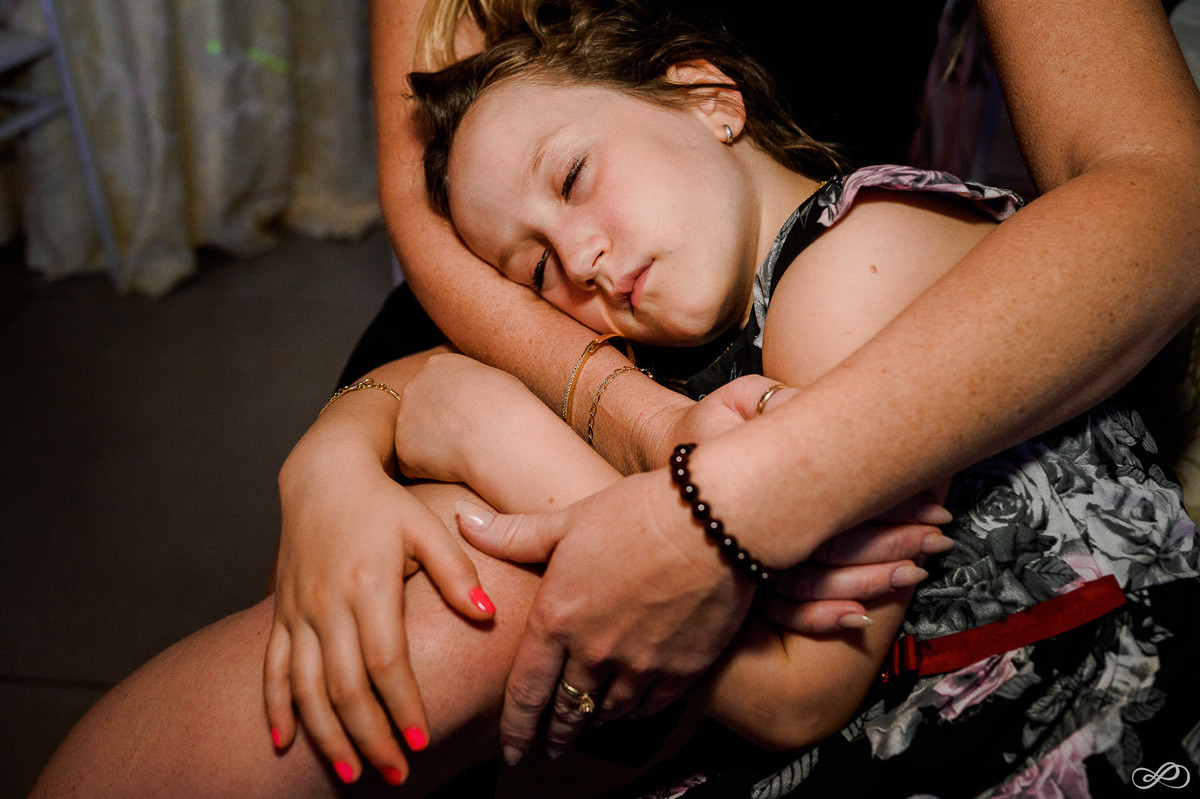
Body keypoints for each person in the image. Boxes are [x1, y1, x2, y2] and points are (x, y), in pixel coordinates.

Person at [352, 0, 1200, 776]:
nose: (578, 260)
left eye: (574, 177)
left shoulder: (847, 267)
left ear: (709, 99)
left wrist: (496, 436)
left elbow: (796, 694)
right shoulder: (712, 342)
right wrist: (347, 443)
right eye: (537, 271)